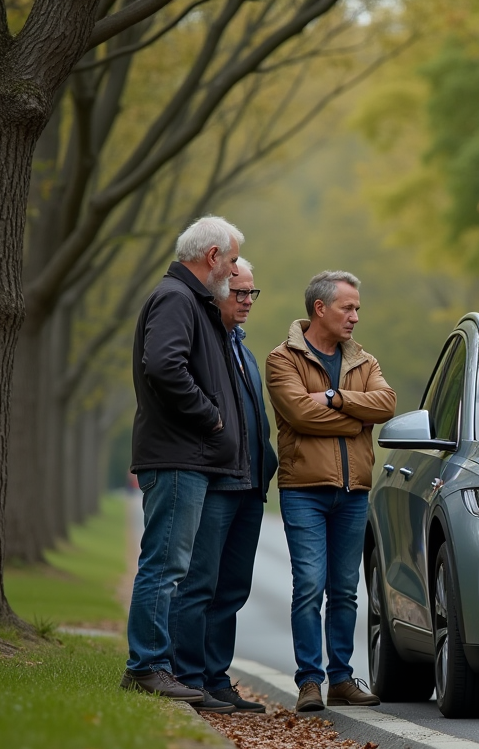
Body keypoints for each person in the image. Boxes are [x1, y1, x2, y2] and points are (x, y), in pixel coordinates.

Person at [122, 216, 247, 703]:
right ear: (212, 256)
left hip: (185, 456)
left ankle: (157, 665)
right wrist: (210, 417)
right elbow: (164, 365)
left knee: (170, 565)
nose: (235, 271)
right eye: (233, 259)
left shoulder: (193, 301)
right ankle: (146, 666)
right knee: (165, 565)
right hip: (176, 456)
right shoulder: (177, 299)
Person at [266, 271, 397, 712]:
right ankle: (309, 681)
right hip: (304, 490)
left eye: (357, 308)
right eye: (348, 307)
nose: (356, 316)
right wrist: (357, 418)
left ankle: (341, 678)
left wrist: (336, 398)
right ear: (320, 309)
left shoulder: (365, 361)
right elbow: (300, 414)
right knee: (308, 585)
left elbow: (386, 404)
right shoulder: (282, 359)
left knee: (344, 590)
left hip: (355, 491)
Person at [169, 258, 278, 713]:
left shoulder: (243, 349)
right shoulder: (207, 344)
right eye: (239, 293)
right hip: (216, 482)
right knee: (200, 584)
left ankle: (215, 679)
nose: (247, 301)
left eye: (252, 293)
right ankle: (189, 677)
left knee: (233, 589)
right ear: (216, 293)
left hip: (250, 486)